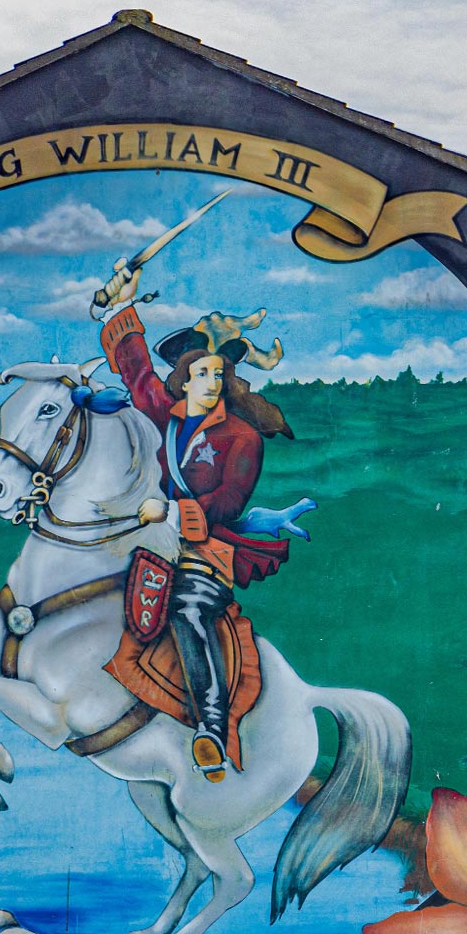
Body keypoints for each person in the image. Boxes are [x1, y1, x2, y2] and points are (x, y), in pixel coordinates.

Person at [96, 261, 307, 783]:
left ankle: (211, 727)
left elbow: (228, 503)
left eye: (220, 373)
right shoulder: (162, 414)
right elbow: (136, 372)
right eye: (204, 373)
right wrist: (124, 303)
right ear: (184, 378)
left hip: (204, 552)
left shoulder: (242, 438)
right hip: (147, 540)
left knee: (188, 609)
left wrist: (169, 510)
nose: (215, 381)